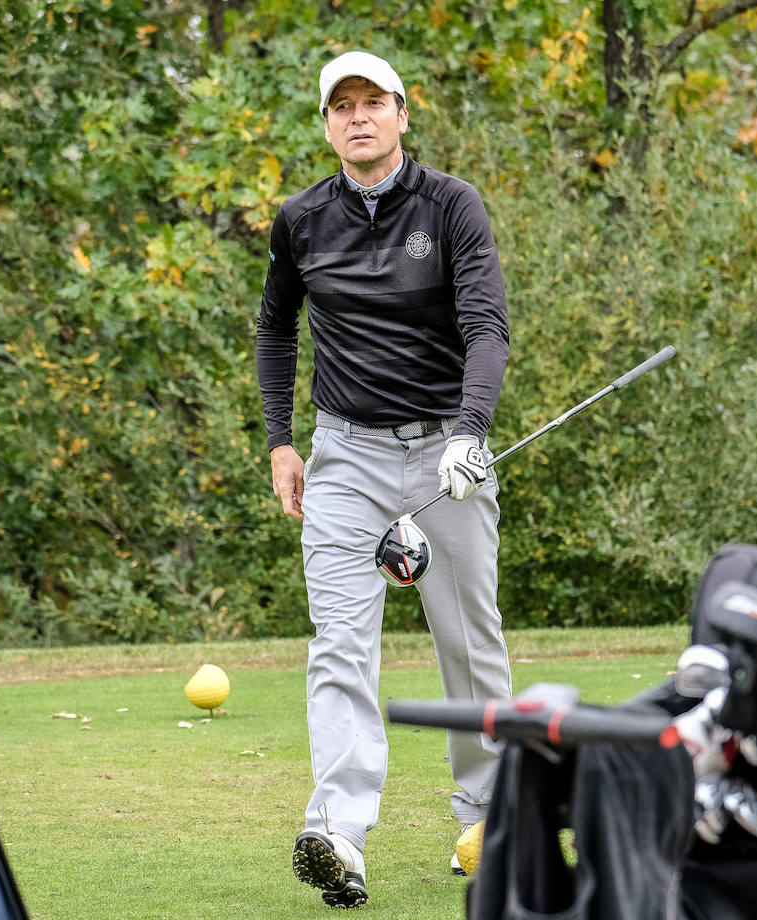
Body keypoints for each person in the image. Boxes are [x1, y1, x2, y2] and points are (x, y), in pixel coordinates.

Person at [255, 50, 513, 909]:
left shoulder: (451, 205)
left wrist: (470, 433)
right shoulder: (300, 221)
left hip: (445, 453)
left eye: (375, 102)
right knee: (339, 639)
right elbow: (275, 332)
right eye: (343, 106)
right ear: (326, 124)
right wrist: (280, 444)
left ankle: (485, 814)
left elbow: (486, 328)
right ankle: (337, 832)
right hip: (346, 455)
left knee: (468, 641)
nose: (359, 117)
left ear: (404, 114)